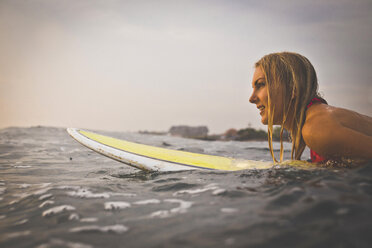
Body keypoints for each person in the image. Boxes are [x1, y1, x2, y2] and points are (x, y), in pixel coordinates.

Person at [249, 52, 372, 164]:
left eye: (261, 85)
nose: (251, 98)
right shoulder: (314, 121)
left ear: (293, 88)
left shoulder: (316, 129)